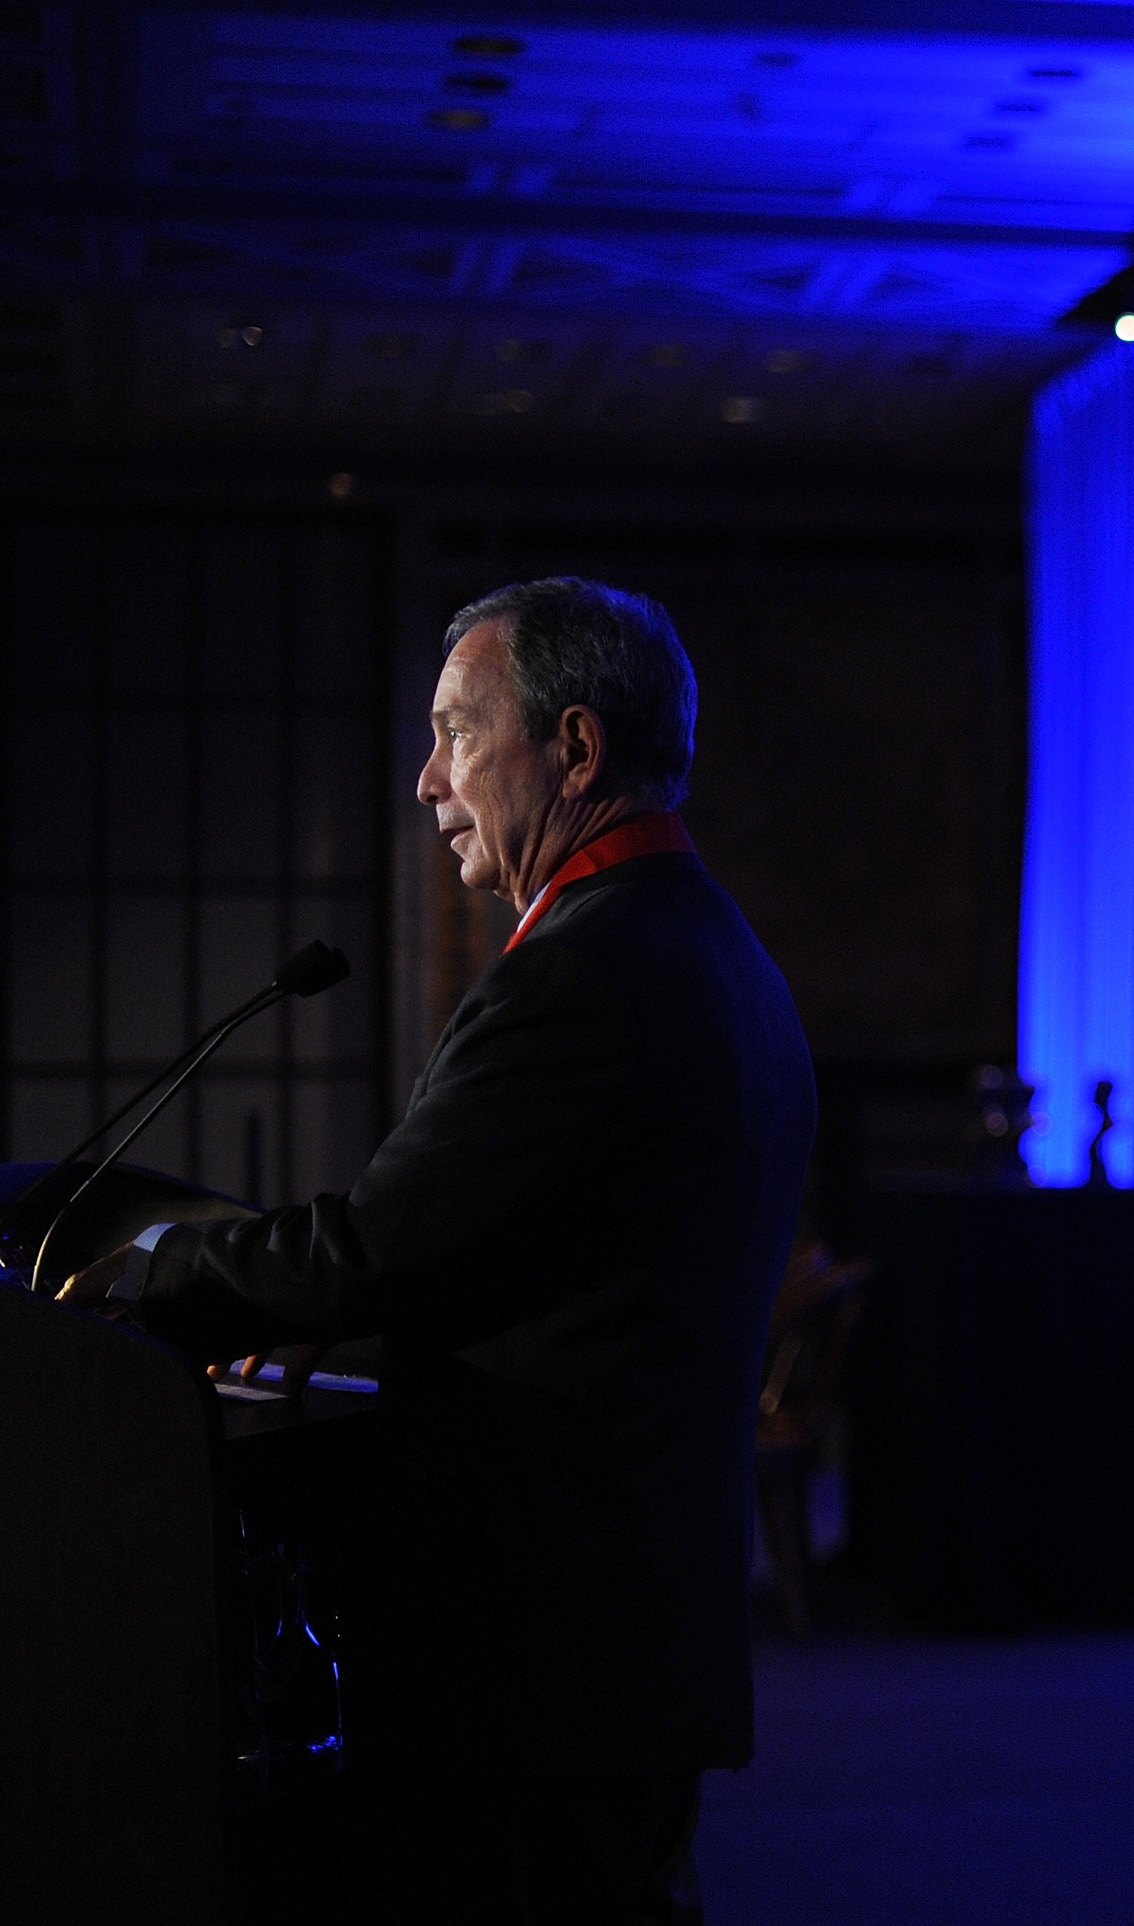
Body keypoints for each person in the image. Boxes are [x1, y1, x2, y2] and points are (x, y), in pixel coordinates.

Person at [66, 578, 815, 1922]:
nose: (426, 780)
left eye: (455, 730)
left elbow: (379, 1251)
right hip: (634, 1622)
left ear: (573, 749)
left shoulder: (584, 973)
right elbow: (532, 1264)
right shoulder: (718, 949)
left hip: (539, 1646)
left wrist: (147, 1270)